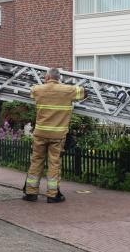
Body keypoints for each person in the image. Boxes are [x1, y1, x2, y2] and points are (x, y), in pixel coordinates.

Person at [23, 68, 85, 203]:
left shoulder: (37, 89)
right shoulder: (68, 90)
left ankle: (31, 193)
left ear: (47, 77)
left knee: (36, 161)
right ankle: (52, 195)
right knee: (54, 164)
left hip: (40, 133)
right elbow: (83, 92)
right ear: (59, 78)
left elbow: (31, 92)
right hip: (57, 135)